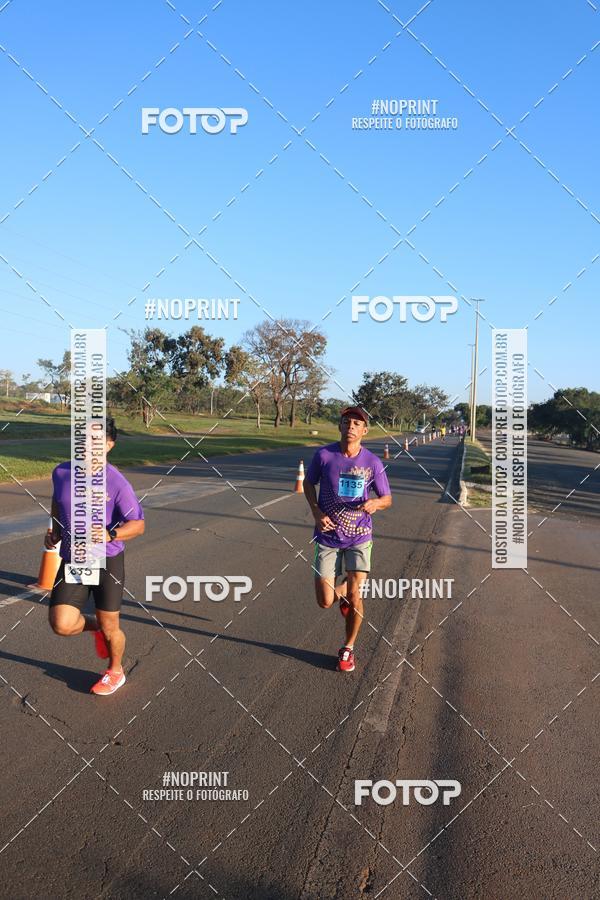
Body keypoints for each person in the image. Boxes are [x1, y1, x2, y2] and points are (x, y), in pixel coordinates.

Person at [46, 417, 145, 696]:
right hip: (74, 558)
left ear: (109, 445)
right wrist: (56, 530)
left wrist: (111, 535)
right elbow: (58, 501)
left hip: (106, 560)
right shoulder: (62, 472)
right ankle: (95, 627)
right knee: (61, 624)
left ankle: (115, 671)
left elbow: (138, 525)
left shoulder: (116, 483)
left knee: (111, 625)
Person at [303, 406, 392, 672]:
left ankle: (348, 648)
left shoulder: (372, 462)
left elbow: (387, 499)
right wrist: (317, 512)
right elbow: (308, 484)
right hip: (328, 534)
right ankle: (339, 593)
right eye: (346, 422)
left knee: (356, 595)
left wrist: (376, 504)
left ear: (364, 431)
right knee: (325, 601)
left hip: (359, 534)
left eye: (357, 423)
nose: (351, 426)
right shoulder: (324, 455)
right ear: (340, 427)